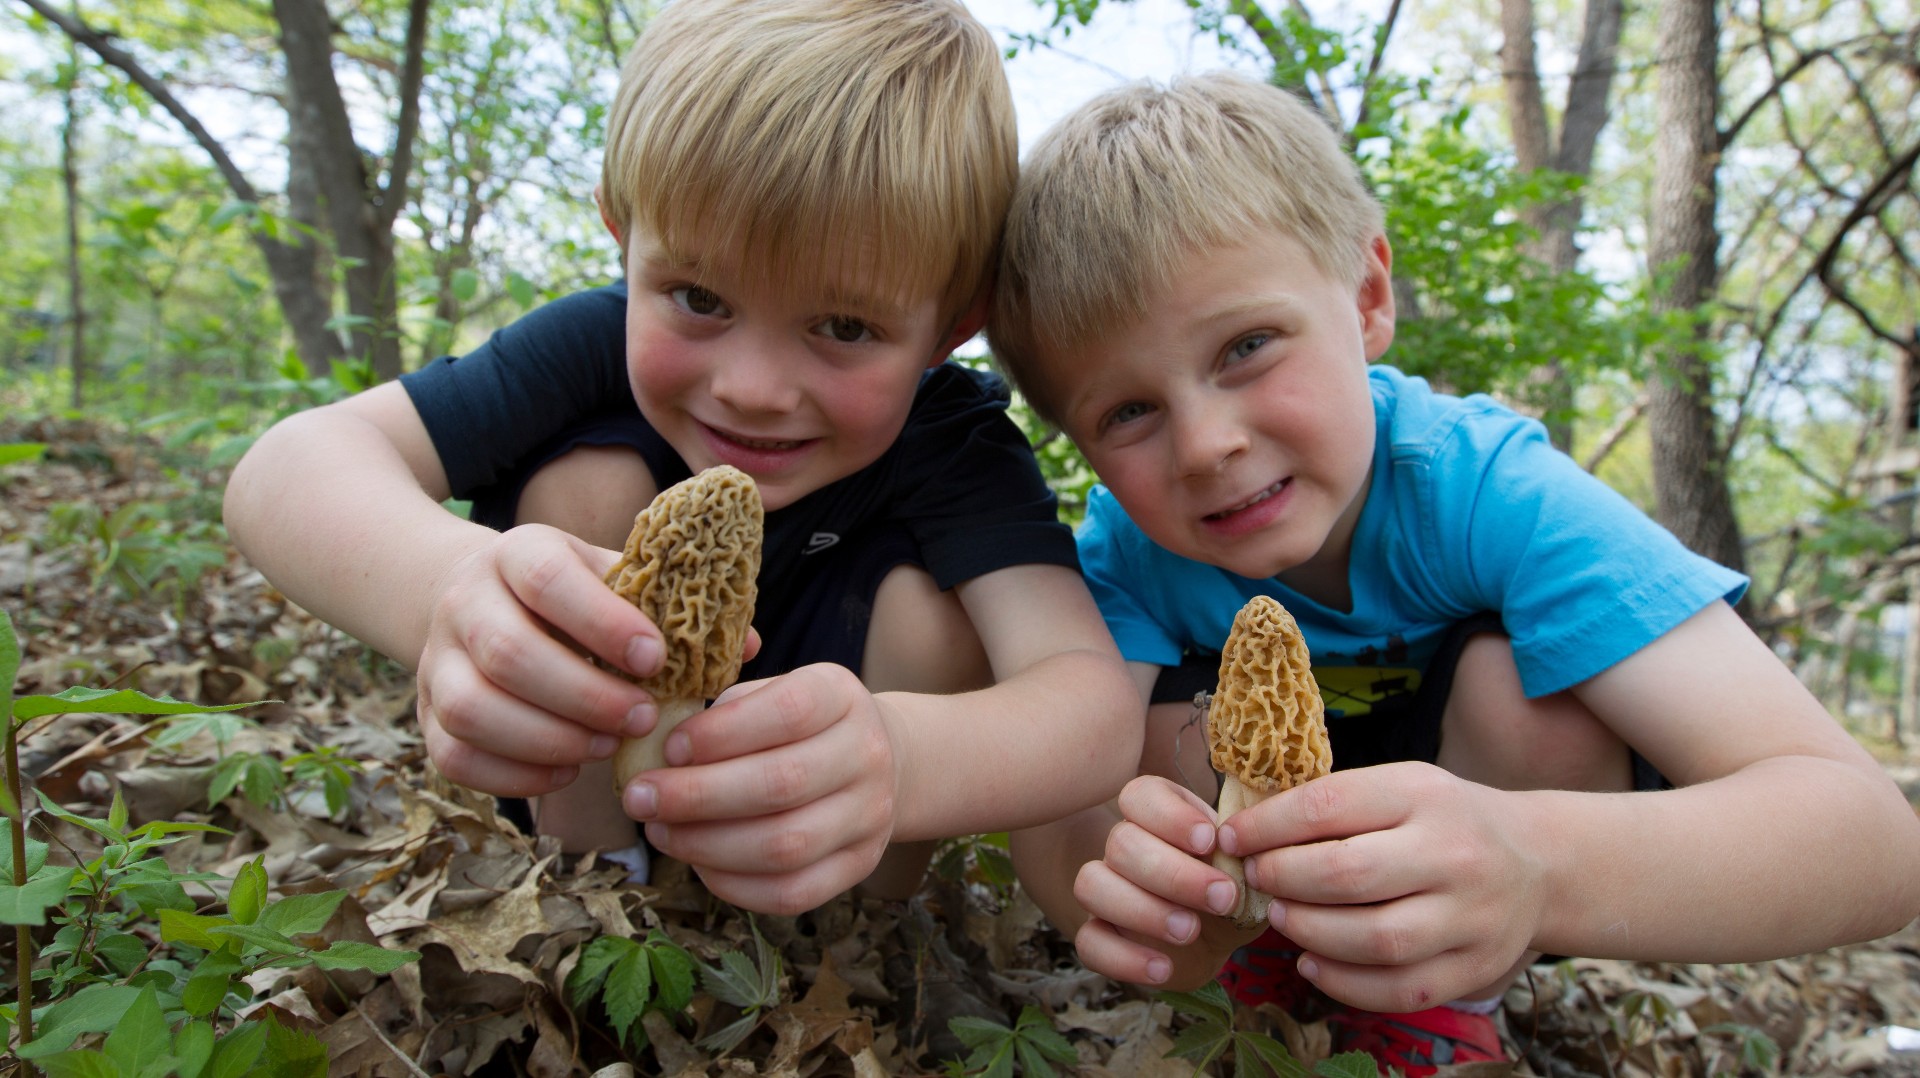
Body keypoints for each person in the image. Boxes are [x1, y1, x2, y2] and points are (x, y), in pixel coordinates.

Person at [986, 71, 1920, 1075]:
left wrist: (1536, 863)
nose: (1208, 445)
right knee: (1109, 727)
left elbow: (1872, 841)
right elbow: (1061, 819)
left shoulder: (1488, 493)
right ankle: (1244, 975)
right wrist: (1136, 891)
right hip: (1240, 904)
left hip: (1478, 829)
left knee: (1533, 692)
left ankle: (1444, 1000)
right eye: (1128, 413)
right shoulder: (1127, 549)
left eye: (1248, 346)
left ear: (1370, 298)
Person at [223, 0, 1140, 918]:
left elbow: (1088, 706)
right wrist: (458, 589)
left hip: (826, 830)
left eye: (845, 327)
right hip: (568, 784)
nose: (753, 387)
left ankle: (844, 949)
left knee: (936, 613)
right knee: (585, 489)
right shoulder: (588, 345)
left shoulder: (951, 444)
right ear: (624, 239)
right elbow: (286, 470)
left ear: (949, 331)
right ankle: (586, 896)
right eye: (699, 296)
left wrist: (900, 756)